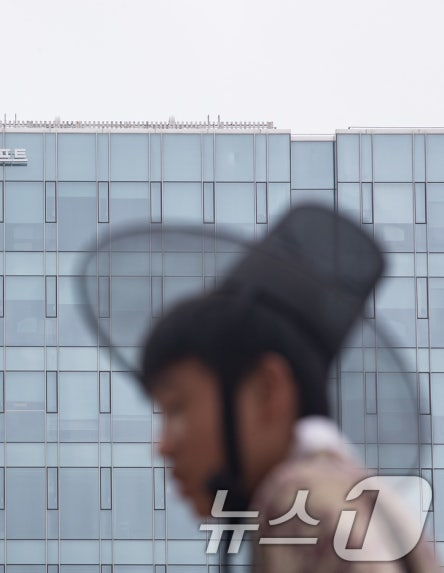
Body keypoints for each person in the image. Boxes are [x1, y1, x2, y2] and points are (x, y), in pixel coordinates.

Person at [136, 206, 438, 572]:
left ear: (267, 390)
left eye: (176, 408)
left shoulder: (296, 506)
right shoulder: (362, 498)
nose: (162, 446)